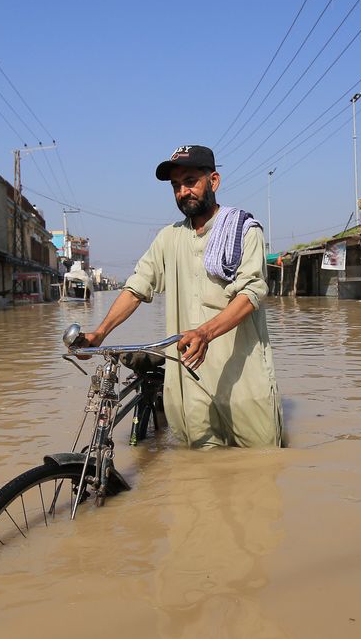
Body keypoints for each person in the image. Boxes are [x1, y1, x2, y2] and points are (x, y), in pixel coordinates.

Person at [74, 144, 283, 448]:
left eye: (190, 181)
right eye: (175, 186)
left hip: (243, 381)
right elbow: (136, 287)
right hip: (190, 385)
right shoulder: (168, 238)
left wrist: (204, 332)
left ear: (213, 181)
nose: (183, 192)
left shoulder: (244, 231)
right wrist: (99, 334)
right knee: (197, 479)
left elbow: (252, 294)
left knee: (259, 474)